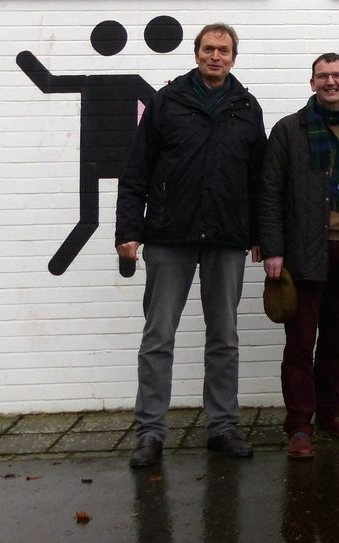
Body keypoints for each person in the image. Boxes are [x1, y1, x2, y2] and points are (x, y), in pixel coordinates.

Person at [115, 23, 267, 467]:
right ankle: (150, 433)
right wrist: (129, 229)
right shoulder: (167, 101)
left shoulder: (247, 107)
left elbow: (258, 179)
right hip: (169, 234)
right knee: (158, 336)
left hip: (226, 236)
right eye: (208, 49)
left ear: (234, 57)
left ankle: (223, 427)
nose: (215, 56)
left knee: (224, 337)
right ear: (196, 53)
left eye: (223, 50)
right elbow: (136, 170)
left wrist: (260, 235)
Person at [259, 53, 339, 459]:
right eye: (323, 76)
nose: (331, 82)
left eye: (337, 75)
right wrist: (273, 248)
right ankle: (299, 426)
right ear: (312, 83)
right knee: (299, 344)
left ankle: (330, 414)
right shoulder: (288, 130)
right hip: (302, 253)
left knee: (334, 341)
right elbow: (270, 191)